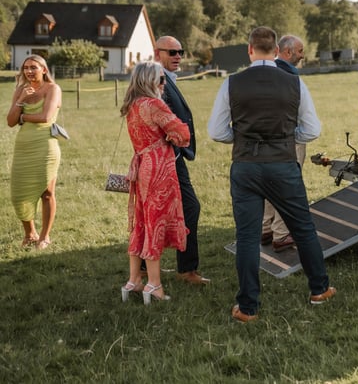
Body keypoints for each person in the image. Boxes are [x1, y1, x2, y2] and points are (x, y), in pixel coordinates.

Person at [208, 26, 335, 323]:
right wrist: (286, 138)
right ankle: (319, 290)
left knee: (247, 236)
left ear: (249, 50)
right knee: (303, 228)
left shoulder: (231, 83)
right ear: (277, 51)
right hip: (283, 164)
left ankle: (247, 307)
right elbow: (312, 130)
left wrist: (242, 139)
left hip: (246, 166)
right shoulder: (295, 82)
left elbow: (216, 131)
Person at [120, 61, 190, 305]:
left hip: (141, 165)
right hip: (158, 167)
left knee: (141, 222)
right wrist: (170, 136)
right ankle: (154, 284)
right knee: (155, 223)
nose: (164, 84)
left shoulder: (132, 104)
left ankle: (133, 280)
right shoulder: (154, 104)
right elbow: (183, 134)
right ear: (149, 80)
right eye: (161, 79)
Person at [154, 36, 210, 285]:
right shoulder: (156, 81)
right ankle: (187, 270)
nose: (178, 56)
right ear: (157, 53)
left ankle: (146, 267)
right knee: (188, 207)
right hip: (167, 158)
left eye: (180, 52)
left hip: (170, 156)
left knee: (158, 211)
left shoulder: (165, 78)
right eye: (172, 52)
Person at [6, 55, 63, 250]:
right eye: (26, 68)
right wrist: (21, 99)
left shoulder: (53, 89)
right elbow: (10, 121)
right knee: (18, 193)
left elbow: (46, 117)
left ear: (44, 70)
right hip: (23, 147)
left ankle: (44, 237)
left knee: (47, 193)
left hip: (46, 145)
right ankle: (30, 234)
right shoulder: (20, 90)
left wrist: (22, 117)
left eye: (33, 67)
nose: (29, 71)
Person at [261, 34, 309, 252]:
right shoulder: (291, 77)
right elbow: (302, 113)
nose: (302, 55)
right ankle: (281, 234)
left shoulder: (265, 71)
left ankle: (265, 228)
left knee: (270, 183)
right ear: (287, 52)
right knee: (288, 185)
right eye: (299, 51)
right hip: (290, 138)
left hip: (266, 138)